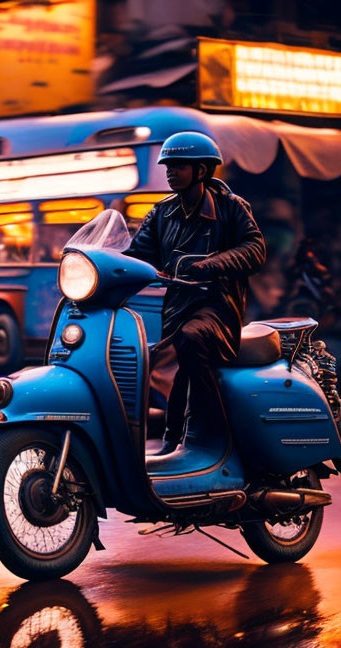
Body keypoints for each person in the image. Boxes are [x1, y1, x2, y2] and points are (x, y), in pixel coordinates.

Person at [125, 132, 266, 457]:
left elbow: (256, 248)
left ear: (202, 170)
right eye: (168, 166)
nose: (171, 172)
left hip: (218, 309)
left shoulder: (231, 207)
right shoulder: (162, 213)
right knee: (161, 362)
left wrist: (213, 265)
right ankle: (174, 441)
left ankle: (215, 433)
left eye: (179, 166)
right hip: (177, 310)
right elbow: (137, 253)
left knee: (191, 338)